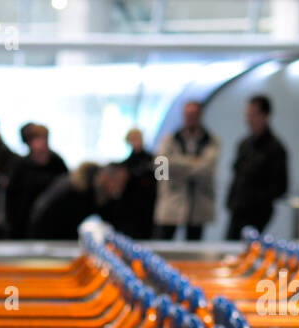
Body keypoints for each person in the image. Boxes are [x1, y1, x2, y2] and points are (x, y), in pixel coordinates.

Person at [152, 100, 219, 241]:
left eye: (194, 115)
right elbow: (160, 169)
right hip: (171, 202)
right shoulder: (169, 140)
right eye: (188, 115)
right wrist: (192, 162)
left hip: (198, 205)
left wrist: (175, 164)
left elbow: (207, 169)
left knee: (193, 247)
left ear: (200, 116)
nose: (190, 118)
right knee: (164, 243)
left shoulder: (211, 141)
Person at [225, 95, 289, 239]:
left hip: (257, 212)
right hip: (238, 209)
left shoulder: (275, 148)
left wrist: (256, 199)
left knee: (249, 249)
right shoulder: (244, 144)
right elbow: (237, 176)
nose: (248, 120)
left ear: (264, 116)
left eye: (253, 115)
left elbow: (281, 186)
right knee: (230, 247)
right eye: (247, 115)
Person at [28, 162, 128, 241]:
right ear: (106, 178)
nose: (120, 188)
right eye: (118, 182)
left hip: (48, 239)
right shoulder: (76, 192)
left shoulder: (89, 188)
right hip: (46, 242)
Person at [6, 123, 67, 239]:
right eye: (38, 138)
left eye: (45, 138)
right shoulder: (20, 165)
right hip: (24, 222)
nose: (42, 142)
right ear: (29, 142)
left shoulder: (57, 162)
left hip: (52, 223)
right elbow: (12, 196)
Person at [114, 128, 156, 240]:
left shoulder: (157, 159)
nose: (135, 142)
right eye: (132, 139)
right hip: (130, 209)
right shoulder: (124, 165)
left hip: (149, 207)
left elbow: (163, 182)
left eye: (137, 138)